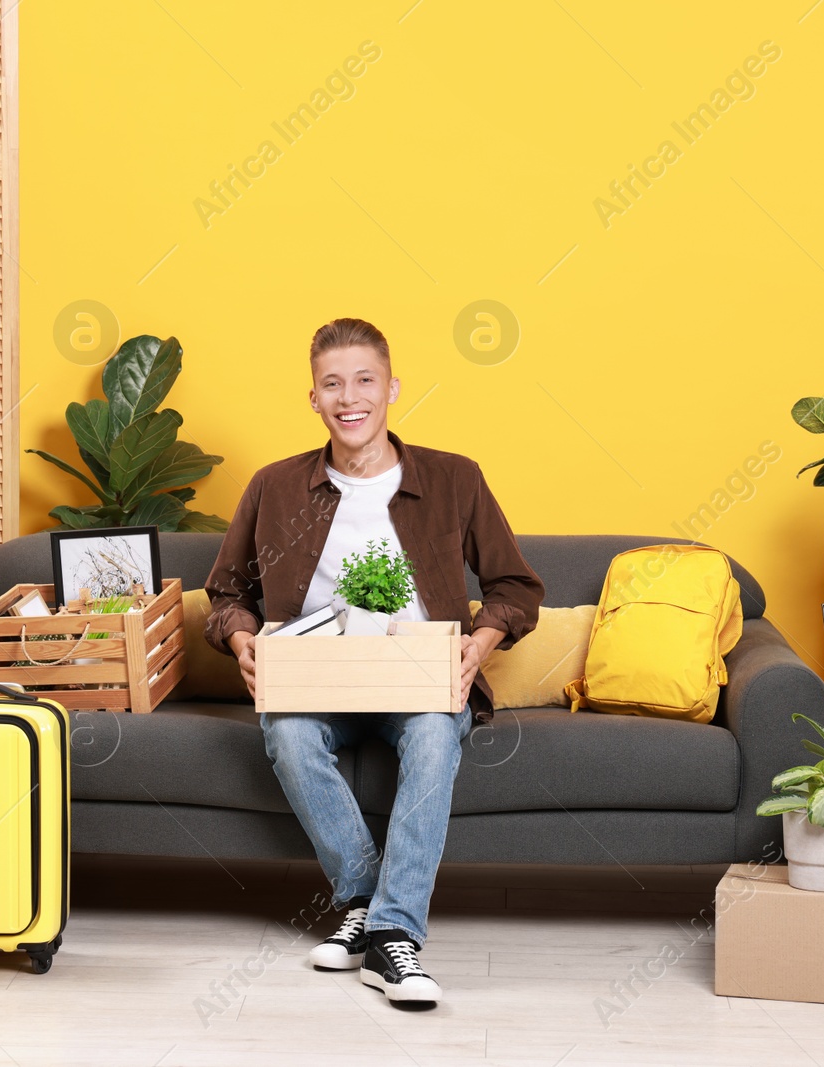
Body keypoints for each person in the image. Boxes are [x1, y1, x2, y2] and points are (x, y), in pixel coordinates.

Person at [204, 317, 543, 1005]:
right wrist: (242, 641)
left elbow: (516, 588)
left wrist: (478, 643)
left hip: (417, 680)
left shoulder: (454, 479)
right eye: (332, 384)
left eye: (364, 380)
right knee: (289, 731)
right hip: (314, 680)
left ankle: (388, 933)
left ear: (391, 388)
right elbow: (225, 593)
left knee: (430, 729)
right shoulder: (274, 486)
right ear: (313, 398)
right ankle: (368, 904)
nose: (348, 397)